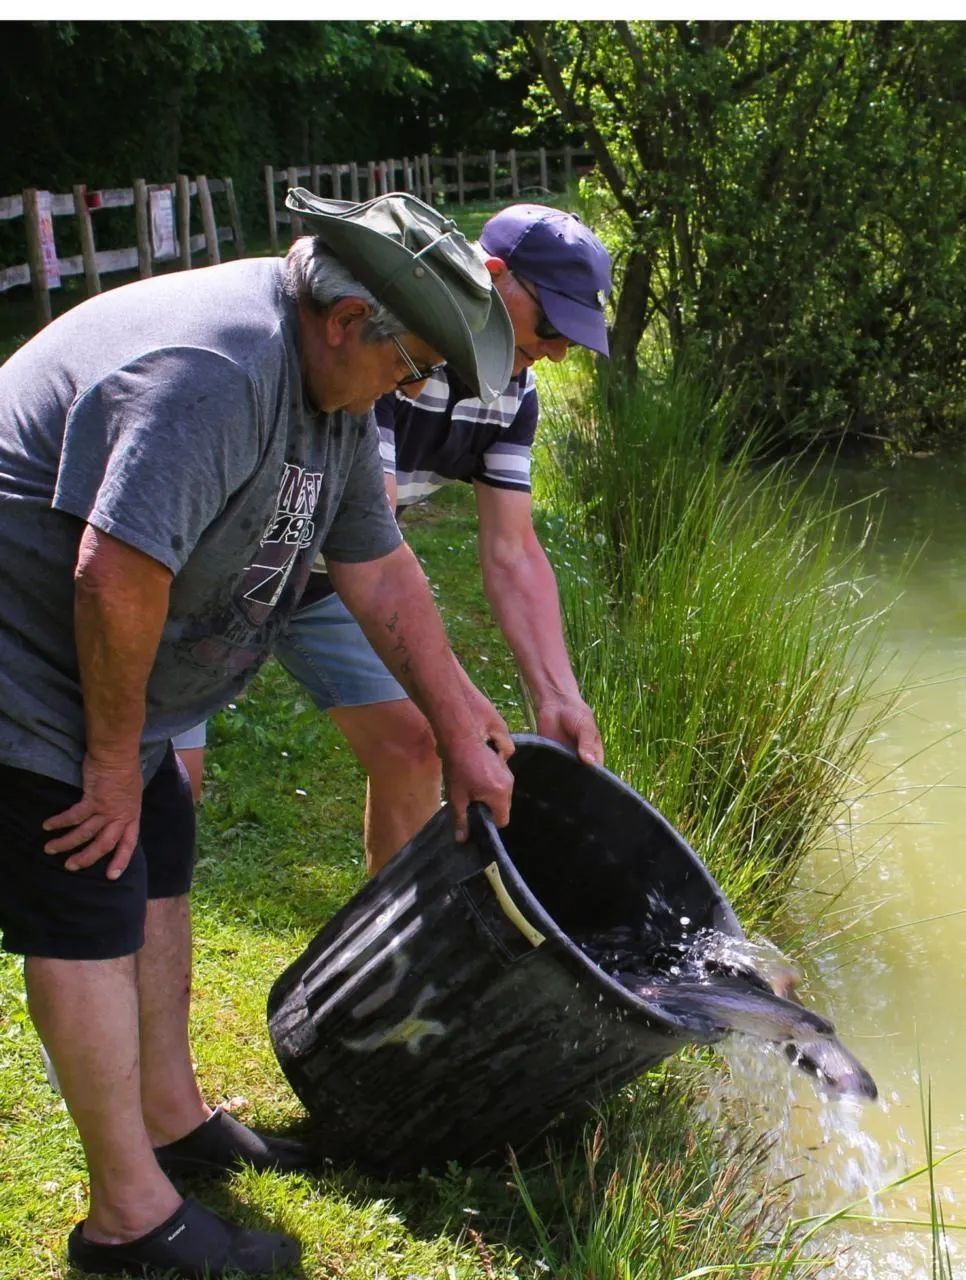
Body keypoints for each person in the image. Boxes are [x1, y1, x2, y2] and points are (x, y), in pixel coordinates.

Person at [0, 190, 517, 1279]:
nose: (411, 387)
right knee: (88, 877)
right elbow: (114, 571)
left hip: (95, 643)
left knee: (159, 849)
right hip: (25, 646)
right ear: (347, 319)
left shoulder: (330, 386)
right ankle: (125, 1220)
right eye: (412, 363)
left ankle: (170, 1115)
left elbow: (378, 565)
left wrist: (459, 719)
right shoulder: (217, 371)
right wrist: (109, 758)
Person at [176, 203, 614, 873]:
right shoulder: (394, 341)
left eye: (573, 338)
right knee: (170, 784)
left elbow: (513, 550)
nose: (557, 351)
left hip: (329, 574)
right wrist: (458, 703)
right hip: (225, 556)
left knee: (416, 744)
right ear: (494, 275)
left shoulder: (514, 393)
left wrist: (557, 696)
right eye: (552, 324)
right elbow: (369, 533)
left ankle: (389, 929)